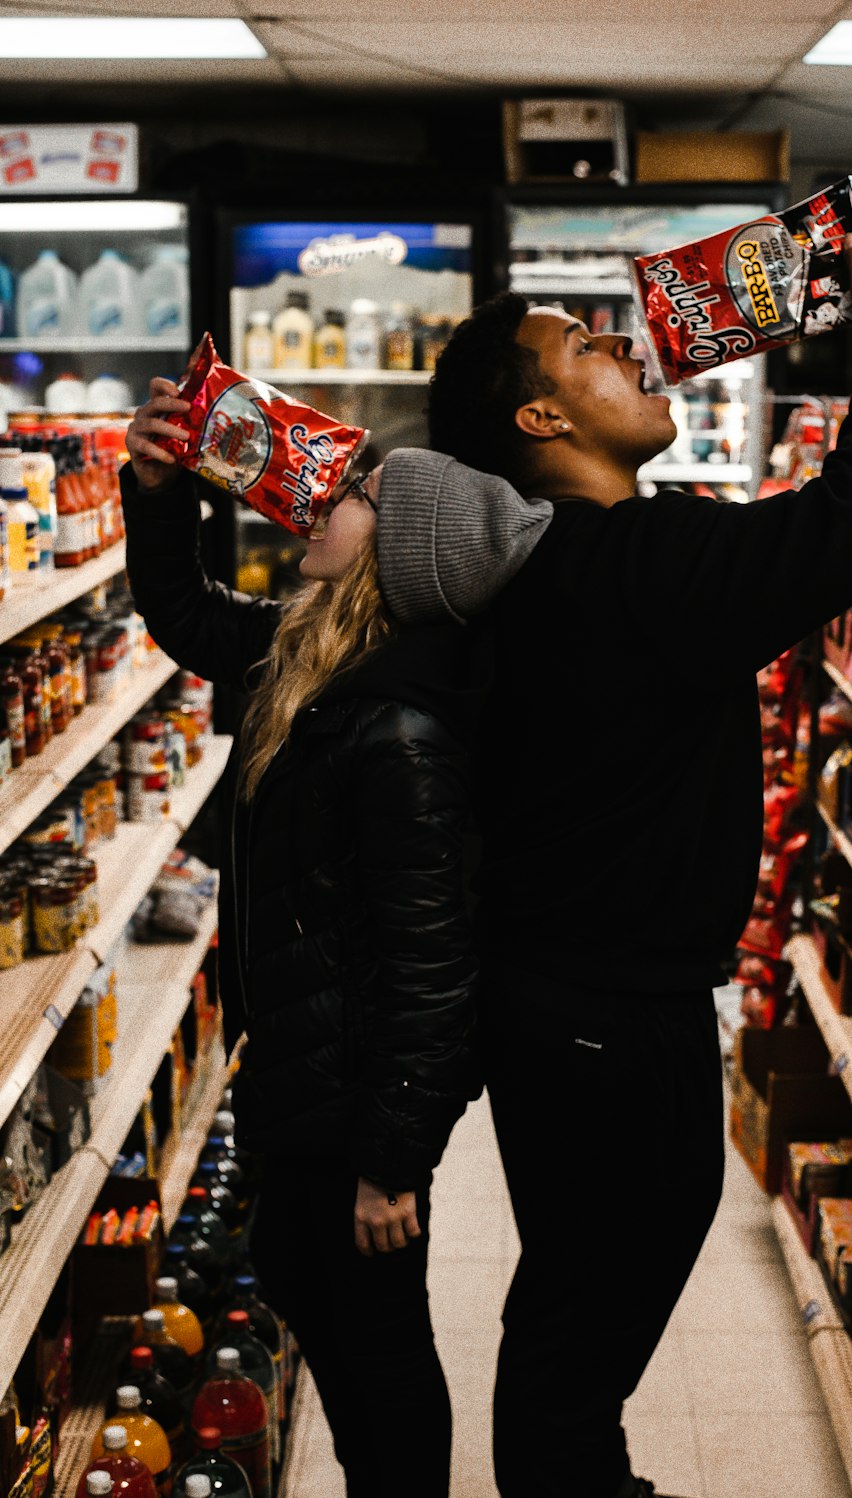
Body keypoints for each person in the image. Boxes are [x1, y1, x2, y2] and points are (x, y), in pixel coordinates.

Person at [371, 229, 852, 1498]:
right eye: (585, 347)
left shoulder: (547, 569)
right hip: (606, 1023)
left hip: (569, 1008)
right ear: (538, 413)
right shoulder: (627, 568)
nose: (626, 346)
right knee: (582, 1332)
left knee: (575, 1314)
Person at [119, 384, 552, 1498]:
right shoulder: (315, 657)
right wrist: (160, 491)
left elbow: (431, 967)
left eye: (356, 494)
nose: (325, 497)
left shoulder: (398, 730)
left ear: (394, 553)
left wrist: (391, 1164)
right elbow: (186, 615)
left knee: (378, 1352)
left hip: (356, 1099)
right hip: (303, 1073)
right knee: (310, 1290)